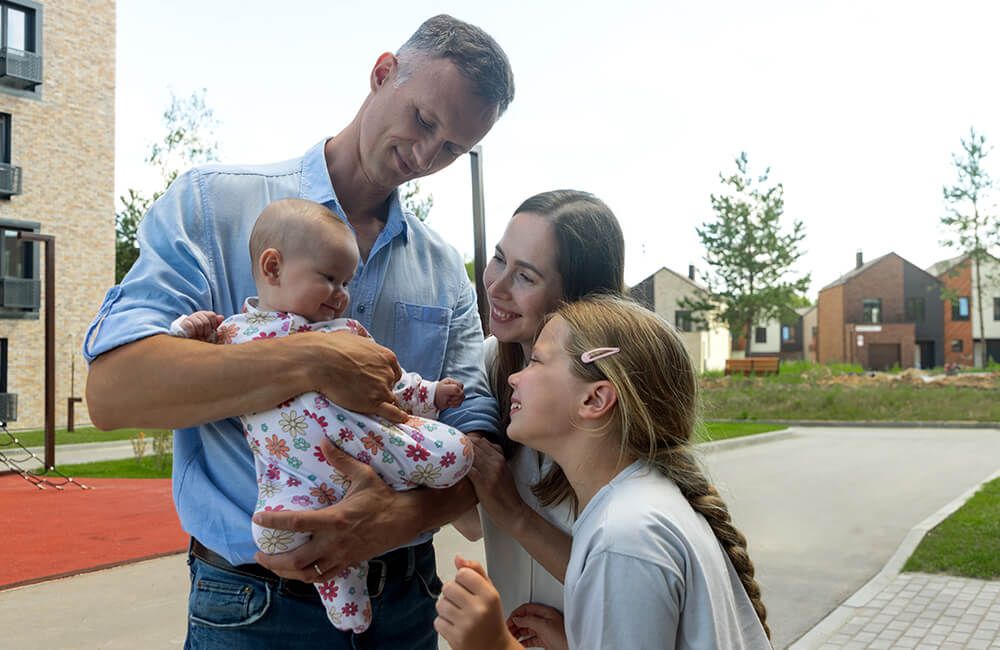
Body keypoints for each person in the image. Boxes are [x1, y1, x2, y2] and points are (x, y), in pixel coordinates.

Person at [83, 14, 513, 648]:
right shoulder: (211, 206)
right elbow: (114, 392)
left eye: (451, 148)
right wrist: (313, 360)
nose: (427, 155)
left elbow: (480, 446)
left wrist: (394, 522)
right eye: (425, 121)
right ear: (383, 71)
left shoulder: (445, 268)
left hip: (407, 601)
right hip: (254, 606)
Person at [170, 198, 475, 633]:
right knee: (275, 533)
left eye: (346, 282)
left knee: (454, 452)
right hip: (289, 478)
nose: (341, 294)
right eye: (330, 279)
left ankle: (431, 465)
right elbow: (179, 364)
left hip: (370, 447)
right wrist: (191, 330)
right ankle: (345, 599)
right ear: (272, 267)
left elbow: (391, 379)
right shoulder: (232, 333)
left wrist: (429, 394)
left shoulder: (346, 332)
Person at [436, 295, 772, 649]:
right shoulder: (639, 507)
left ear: (594, 400)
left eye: (536, 361)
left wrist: (493, 644)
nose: (515, 378)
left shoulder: (624, 537)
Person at [473, 189, 627, 623]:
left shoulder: (610, 395)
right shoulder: (486, 364)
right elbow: (468, 520)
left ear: (575, 298)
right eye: (499, 259)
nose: (496, 287)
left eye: (526, 277)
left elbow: (627, 573)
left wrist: (515, 514)